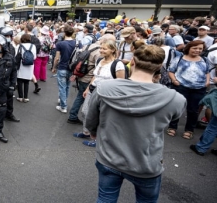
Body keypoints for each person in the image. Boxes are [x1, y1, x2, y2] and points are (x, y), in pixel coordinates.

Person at [85, 45, 186, 203]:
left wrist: (93, 132)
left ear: (132, 61)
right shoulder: (175, 99)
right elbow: (174, 117)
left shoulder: (104, 88)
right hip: (146, 164)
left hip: (109, 158)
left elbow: (91, 118)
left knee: (105, 198)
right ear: (160, 67)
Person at [74, 39, 125, 147]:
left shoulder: (118, 64)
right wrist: (88, 88)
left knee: (101, 117)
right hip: (93, 89)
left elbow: (121, 82)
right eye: (101, 48)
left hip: (106, 93)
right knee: (85, 112)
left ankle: (98, 139)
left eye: (104, 49)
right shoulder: (99, 60)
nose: (101, 50)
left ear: (112, 50)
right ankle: (86, 132)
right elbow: (95, 76)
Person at [167, 40, 211, 140]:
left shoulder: (204, 60)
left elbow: (207, 72)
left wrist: (207, 82)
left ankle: (189, 130)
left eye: (200, 48)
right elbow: (171, 71)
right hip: (181, 87)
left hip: (199, 89)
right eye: (195, 48)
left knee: (193, 110)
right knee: (178, 107)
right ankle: (172, 127)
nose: (198, 50)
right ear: (189, 48)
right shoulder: (179, 58)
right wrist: (174, 80)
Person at [0, 26, 20, 122]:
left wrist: (13, 82)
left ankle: (9, 113)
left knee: (10, 96)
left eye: (10, 36)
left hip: (8, 76)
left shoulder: (11, 47)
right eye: (6, 36)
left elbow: (13, 65)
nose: (8, 37)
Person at [52, 25, 76, 113]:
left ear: (64, 33)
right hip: (72, 68)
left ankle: (63, 106)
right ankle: (63, 101)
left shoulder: (60, 44)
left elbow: (57, 58)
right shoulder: (76, 43)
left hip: (62, 67)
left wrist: (54, 67)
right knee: (67, 86)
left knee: (62, 87)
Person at [15, 34, 36, 103]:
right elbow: (34, 57)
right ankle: (26, 97)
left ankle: (20, 97)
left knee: (19, 81)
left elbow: (16, 56)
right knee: (27, 82)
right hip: (30, 65)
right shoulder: (33, 46)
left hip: (21, 65)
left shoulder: (19, 46)